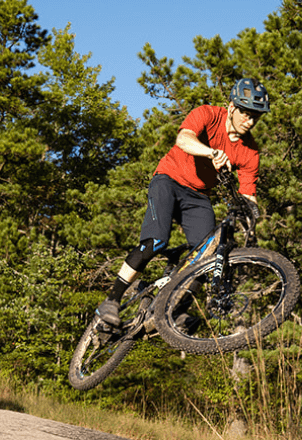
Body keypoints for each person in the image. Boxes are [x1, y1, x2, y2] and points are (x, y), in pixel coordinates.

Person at [96, 76, 269, 327]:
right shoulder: (207, 114)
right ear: (232, 106)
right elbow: (184, 139)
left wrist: (250, 219)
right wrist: (211, 152)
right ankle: (111, 301)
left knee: (205, 256)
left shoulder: (250, 152)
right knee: (156, 240)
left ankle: (175, 310)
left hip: (198, 196)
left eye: (255, 117)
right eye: (246, 113)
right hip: (169, 179)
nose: (249, 121)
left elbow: (248, 194)